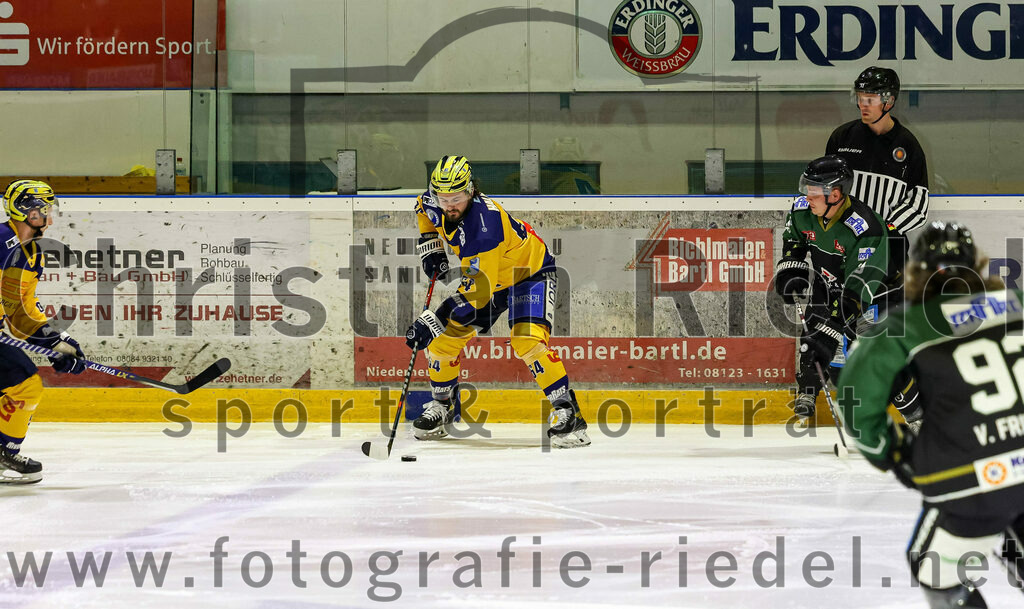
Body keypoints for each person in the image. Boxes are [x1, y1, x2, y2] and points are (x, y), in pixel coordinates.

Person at [837, 221, 1024, 608]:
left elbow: (856, 399)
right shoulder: (1017, 302)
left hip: (967, 477)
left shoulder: (903, 325)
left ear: (917, 271)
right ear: (978, 264)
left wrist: (892, 451)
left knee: (934, 570)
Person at [406, 156, 590, 448]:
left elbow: (478, 293)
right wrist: (431, 248)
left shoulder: (484, 226)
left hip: (529, 273)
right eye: (443, 197)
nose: (449, 204)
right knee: (441, 343)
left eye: (456, 197)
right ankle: (443, 407)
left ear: (471, 190)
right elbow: (423, 210)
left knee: (527, 341)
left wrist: (434, 319)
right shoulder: (433, 201)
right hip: (491, 279)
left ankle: (570, 415)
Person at [826, 66, 930, 426]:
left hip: (888, 258)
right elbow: (828, 191)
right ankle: (856, 409)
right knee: (841, 333)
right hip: (845, 252)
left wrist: (879, 229)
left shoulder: (908, 147)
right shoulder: (842, 137)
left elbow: (918, 204)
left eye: (869, 98)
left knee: (880, 341)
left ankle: (914, 414)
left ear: (889, 101)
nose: (862, 104)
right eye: (859, 97)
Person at [774, 155, 891, 423]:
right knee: (811, 343)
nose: (806, 196)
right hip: (826, 289)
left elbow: (859, 287)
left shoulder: (866, 228)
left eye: (813, 192)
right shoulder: (803, 210)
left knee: (872, 356)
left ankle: (913, 414)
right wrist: (791, 268)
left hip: (867, 297)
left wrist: (834, 327)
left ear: (835, 194)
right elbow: (795, 239)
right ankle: (807, 391)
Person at [1, 180, 87, 484]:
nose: (49, 217)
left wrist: (56, 341)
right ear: (26, 211)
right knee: (23, 380)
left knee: (24, 383)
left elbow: (20, 311)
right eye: (44, 210)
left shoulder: (31, 253)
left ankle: (3, 453)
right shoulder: (0, 240)